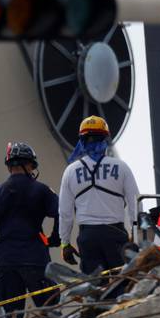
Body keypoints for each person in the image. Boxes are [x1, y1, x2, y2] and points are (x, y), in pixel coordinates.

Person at [0, 142, 60, 318]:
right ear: (28, 164)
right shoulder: (42, 190)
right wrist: (56, 238)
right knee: (51, 315)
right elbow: (62, 212)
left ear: (10, 166)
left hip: (6, 262)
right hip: (36, 260)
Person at [58, 115, 139, 275]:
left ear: (82, 141)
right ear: (106, 140)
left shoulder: (71, 171)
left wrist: (65, 243)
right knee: (122, 282)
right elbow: (135, 204)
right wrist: (135, 236)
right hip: (115, 235)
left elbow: (65, 213)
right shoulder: (121, 167)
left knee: (95, 287)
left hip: (88, 238)